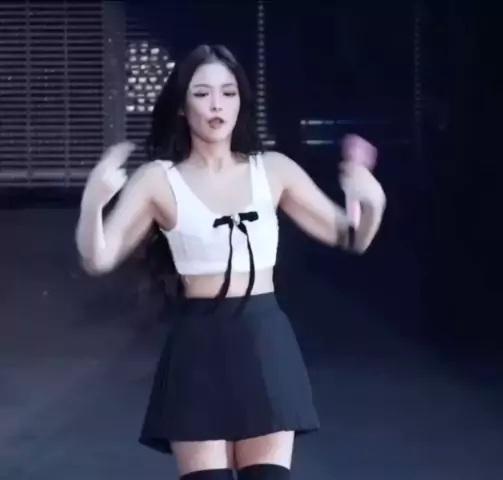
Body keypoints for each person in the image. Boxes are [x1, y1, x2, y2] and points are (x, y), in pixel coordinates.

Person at [75, 44, 386, 480]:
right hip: (199, 347)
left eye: (228, 92)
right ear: (182, 106)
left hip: (265, 342)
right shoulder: (158, 180)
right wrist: (93, 203)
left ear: (241, 101)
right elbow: (98, 257)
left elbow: (351, 237)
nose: (217, 105)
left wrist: (372, 203)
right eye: (202, 93)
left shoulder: (273, 170)